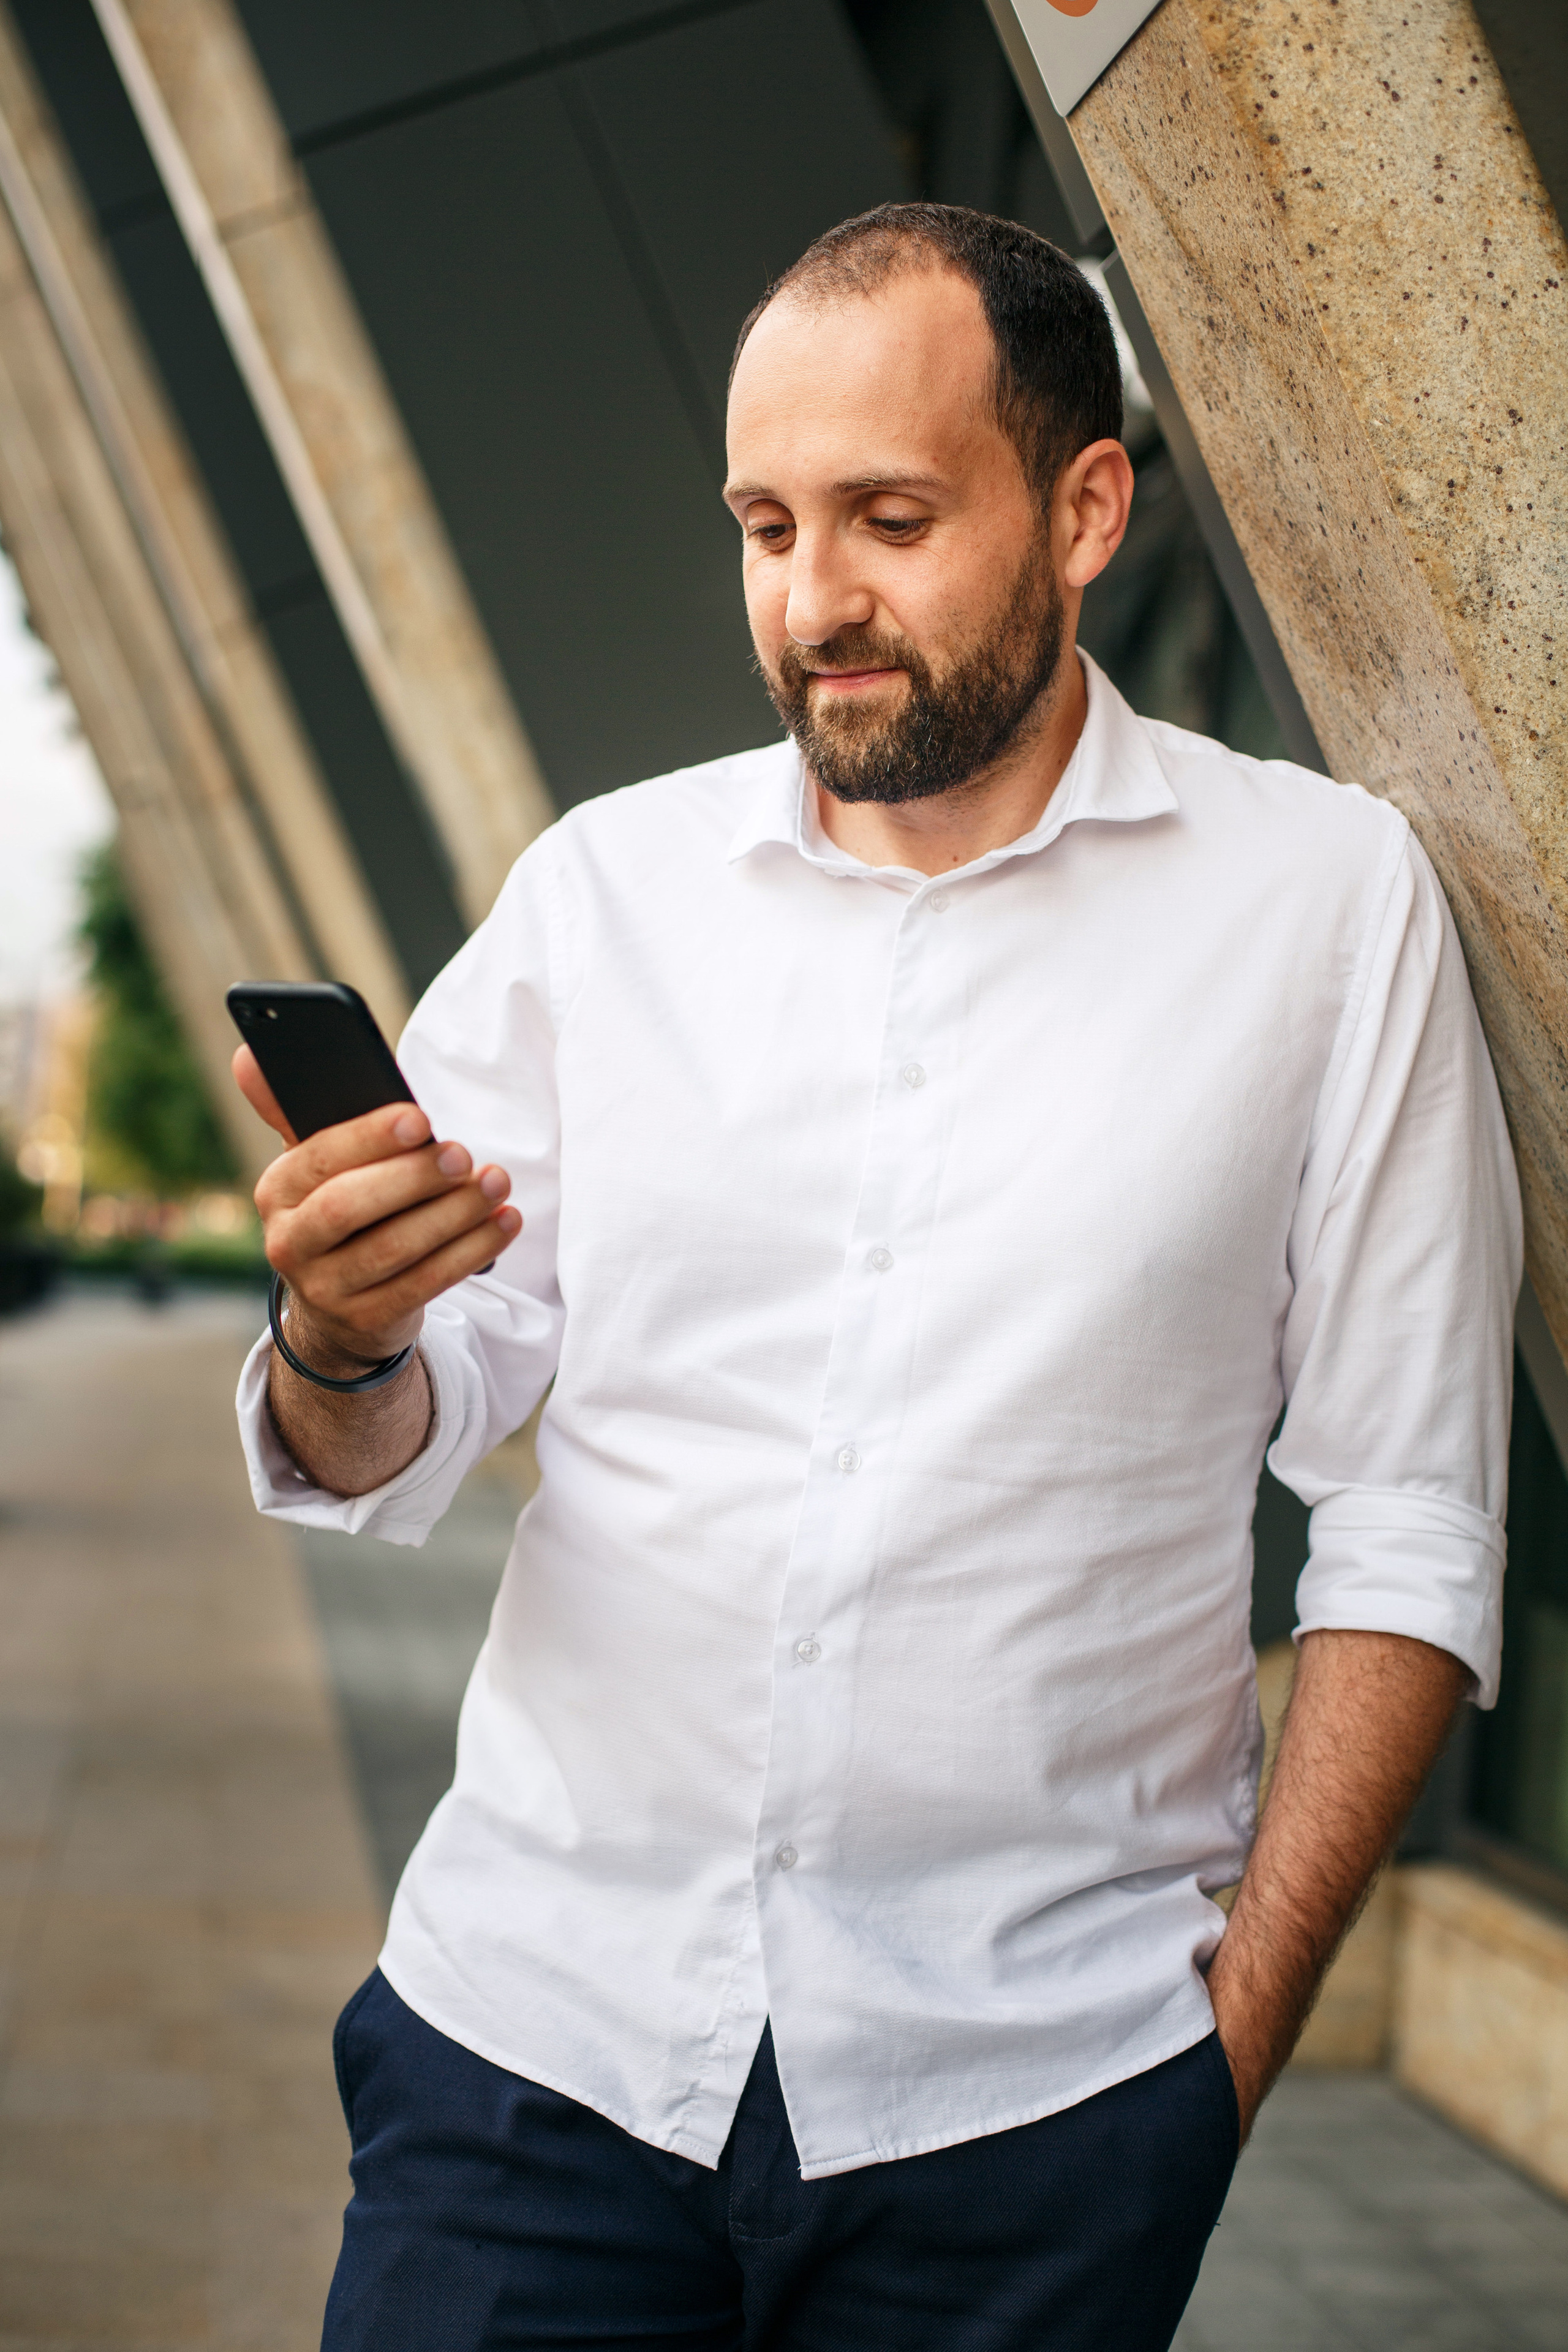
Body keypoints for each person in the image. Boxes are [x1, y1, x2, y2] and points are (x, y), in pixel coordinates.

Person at [233, 205, 1518, 2351]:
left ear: (1084, 509)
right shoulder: (602, 895)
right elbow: (394, 1431)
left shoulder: (1326, 906)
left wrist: (1222, 2063)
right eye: (766, 527)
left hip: (1036, 2119)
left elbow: (1410, 1520)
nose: (812, 599)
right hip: (529, 2061)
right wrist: (342, 1335)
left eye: (890, 520)